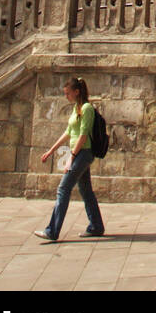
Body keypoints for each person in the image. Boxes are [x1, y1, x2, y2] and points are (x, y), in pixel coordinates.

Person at [34, 76, 104, 242]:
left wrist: (71, 158)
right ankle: (96, 226)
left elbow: (83, 134)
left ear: (76, 91)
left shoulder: (86, 108)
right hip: (78, 153)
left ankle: (52, 230)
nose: (66, 96)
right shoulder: (76, 108)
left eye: (68, 93)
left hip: (83, 153)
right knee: (86, 191)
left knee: (63, 189)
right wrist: (51, 150)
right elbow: (68, 132)